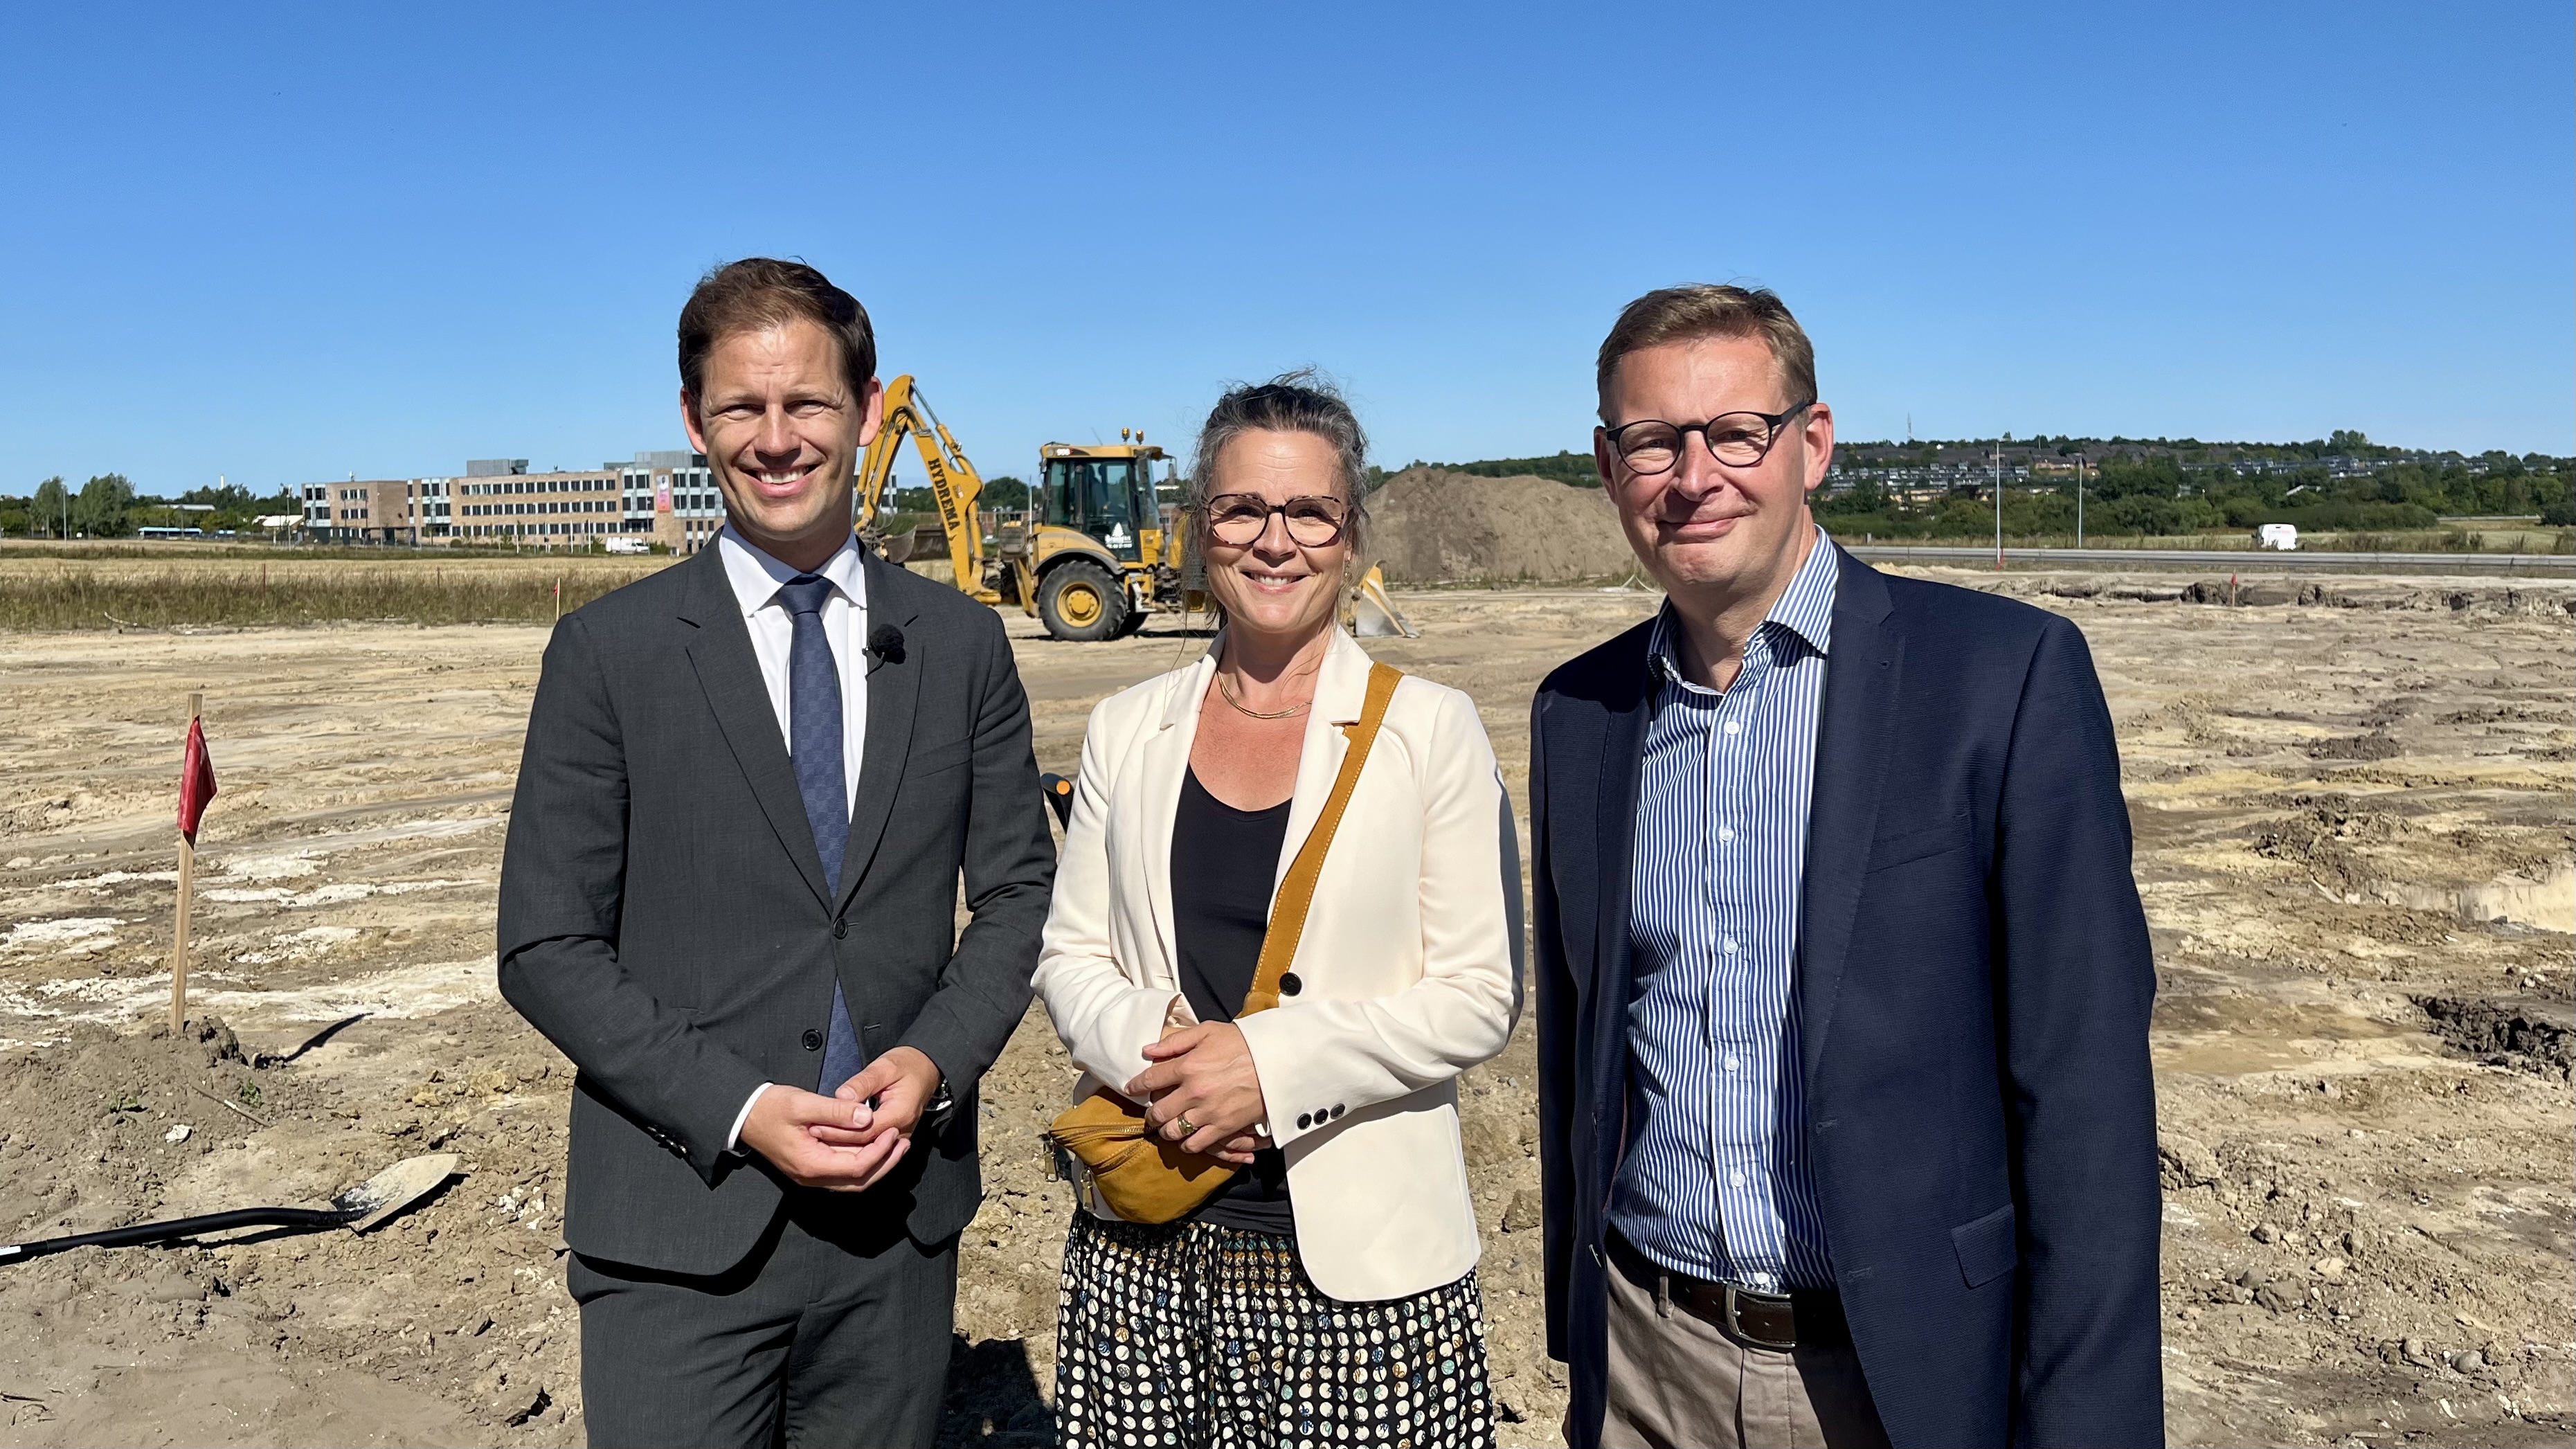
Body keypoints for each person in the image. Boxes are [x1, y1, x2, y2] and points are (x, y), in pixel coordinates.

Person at [1529, 286, 2163, 1448]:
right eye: (1651, 439)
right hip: (1643, 1356)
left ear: (1809, 445)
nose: (1692, 474)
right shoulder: (1580, 711)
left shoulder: (2000, 678)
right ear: (1607, 464)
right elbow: (1582, 1047)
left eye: (1734, 432)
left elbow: (2084, 1094)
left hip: (1895, 1376)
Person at [497, 258, 1056, 1448]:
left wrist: (934, 1062)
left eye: (805, 403)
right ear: (695, 422)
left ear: (861, 409)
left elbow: (1017, 890)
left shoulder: (958, 644)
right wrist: (740, 1105)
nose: (777, 437)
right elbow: (546, 944)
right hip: (680, 1226)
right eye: (743, 408)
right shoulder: (609, 654)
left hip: (891, 1229)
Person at [1034, 372, 1521, 1449]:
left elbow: (1480, 995)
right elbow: (1069, 952)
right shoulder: (1126, 725)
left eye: (1308, 511)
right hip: (1141, 1259)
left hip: (1364, 1281)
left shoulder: (1431, 732)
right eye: (1241, 508)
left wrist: (1270, 1065)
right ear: (1200, 526)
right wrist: (1163, 1060)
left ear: (1350, 536)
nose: (1273, 539)